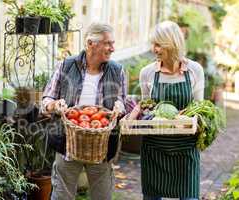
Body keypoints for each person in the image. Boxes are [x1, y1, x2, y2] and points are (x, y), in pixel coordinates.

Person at [42, 22, 127, 200]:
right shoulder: (66, 66)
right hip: (68, 143)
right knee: (61, 195)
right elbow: (46, 101)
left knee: (102, 196)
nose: (113, 48)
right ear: (90, 44)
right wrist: (55, 105)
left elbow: (121, 101)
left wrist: (119, 107)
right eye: (108, 43)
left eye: (113, 43)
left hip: (101, 146)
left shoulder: (117, 71)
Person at [130, 21, 204, 200]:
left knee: (189, 197)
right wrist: (134, 115)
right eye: (152, 44)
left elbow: (198, 109)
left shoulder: (194, 70)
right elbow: (147, 107)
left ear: (172, 43)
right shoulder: (147, 73)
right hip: (155, 148)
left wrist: (184, 118)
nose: (154, 49)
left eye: (158, 44)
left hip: (185, 149)